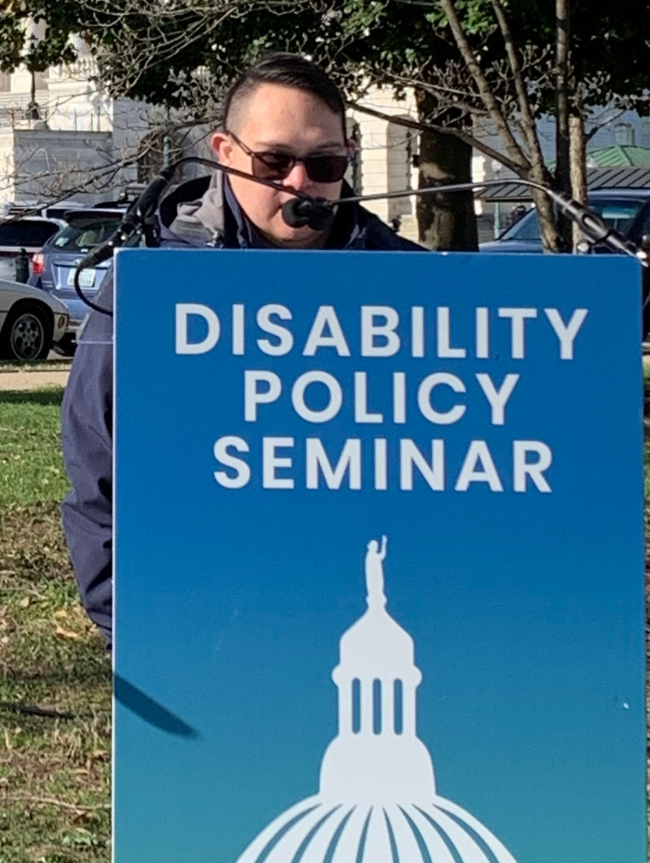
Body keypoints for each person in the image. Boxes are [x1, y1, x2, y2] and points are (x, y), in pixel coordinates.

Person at [59, 53, 425, 647]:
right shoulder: (155, 284)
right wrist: (125, 619)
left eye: (325, 163)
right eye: (275, 161)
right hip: (202, 623)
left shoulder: (413, 282)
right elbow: (96, 456)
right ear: (224, 152)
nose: (300, 183)